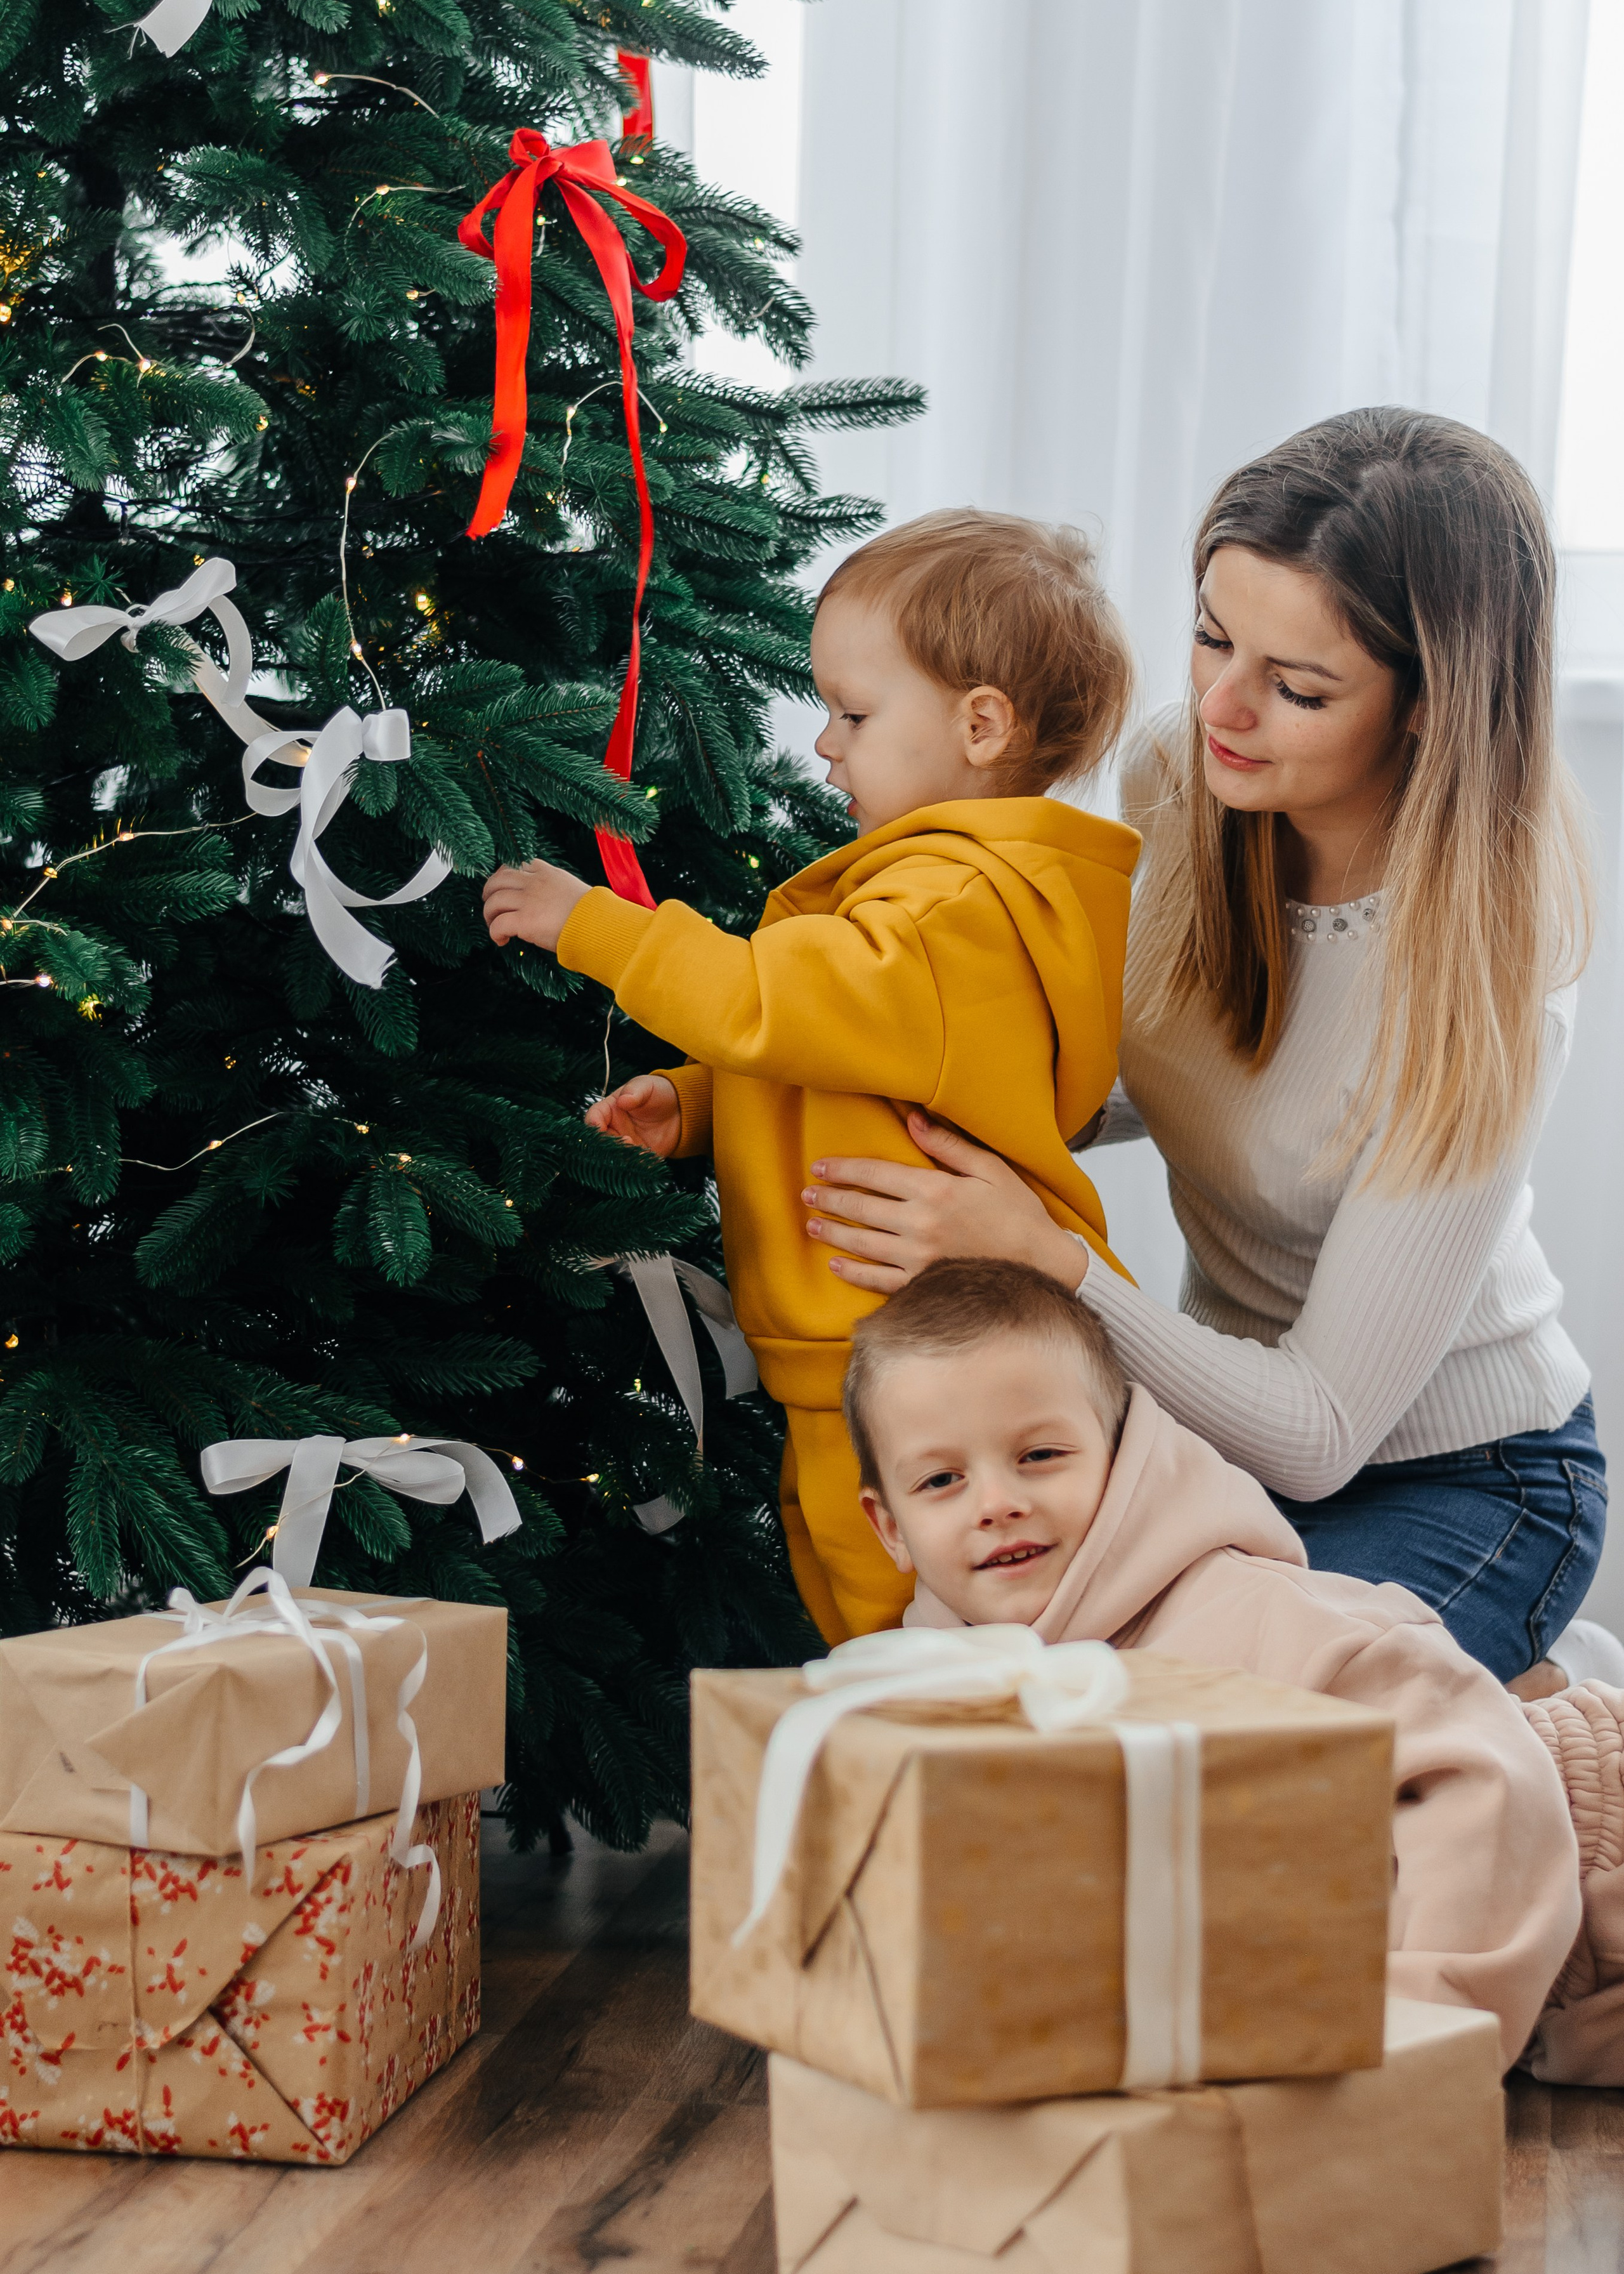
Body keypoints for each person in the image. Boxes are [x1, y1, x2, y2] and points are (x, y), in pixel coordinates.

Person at [798, 410, 1605, 1688]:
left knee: (1226, 1736)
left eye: (1298, 687)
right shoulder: (1185, 780)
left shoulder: (1486, 983)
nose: (1221, 706)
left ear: (1425, 709)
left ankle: (1556, 1726)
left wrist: (1045, 1253)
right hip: (1216, 1439)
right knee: (1029, 1694)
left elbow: (1322, 1432)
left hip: (1464, 1475)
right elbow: (1161, 1064)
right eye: (1212, 636)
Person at [480, 510, 1140, 1643]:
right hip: (866, 1348)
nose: (826, 743)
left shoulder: (946, 911)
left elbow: (772, 1000)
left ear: (982, 725)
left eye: (855, 713)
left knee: (918, 1631)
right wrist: (697, 1102)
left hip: (915, 1356)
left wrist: (594, 924)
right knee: (867, 1614)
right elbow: (836, 1058)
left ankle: (954, 1758)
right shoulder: (929, 901)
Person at [848, 1255, 1624, 2082]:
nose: (996, 1502)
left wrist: (1419, 2032)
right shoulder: (935, 1695)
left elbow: (1489, 1780)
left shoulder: (1251, 1618)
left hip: (1583, 1837)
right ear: (890, 1526)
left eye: (1039, 1454)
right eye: (942, 1479)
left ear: (1120, 1455)